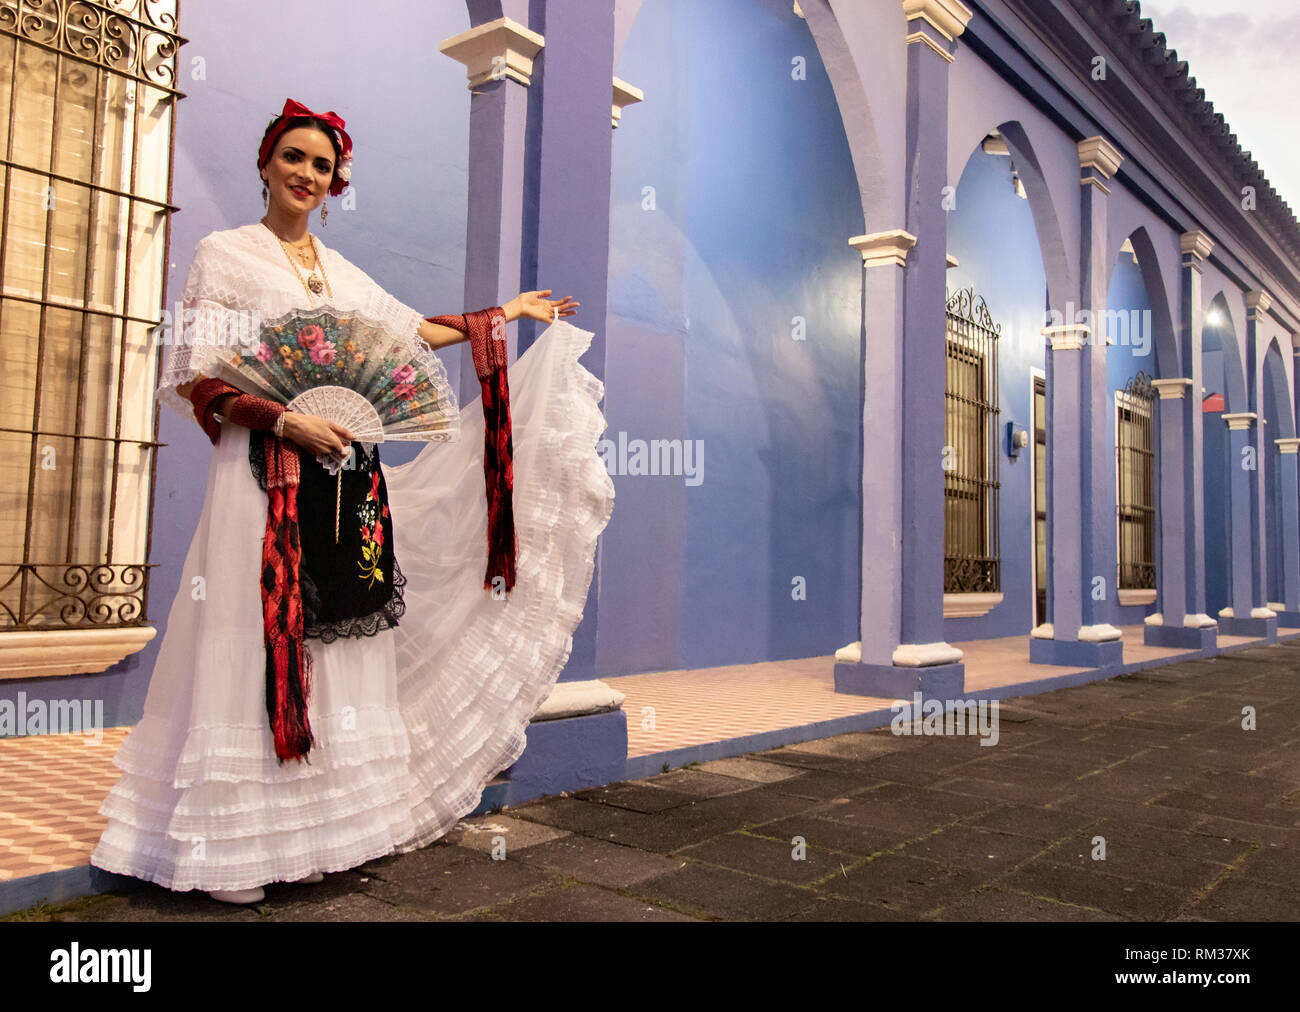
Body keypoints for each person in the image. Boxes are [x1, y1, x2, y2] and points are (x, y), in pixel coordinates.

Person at [89, 98, 616, 905]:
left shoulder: (343, 276)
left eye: (323, 166)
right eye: (294, 157)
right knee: (257, 632)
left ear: (336, 184)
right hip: (261, 476)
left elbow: (409, 332)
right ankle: (235, 852)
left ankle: (327, 835)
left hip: (344, 480)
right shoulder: (222, 255)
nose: (307, 174)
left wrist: (507, 313)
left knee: (337, 640)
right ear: (266, 163)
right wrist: (284, 419)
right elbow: (196, 376)